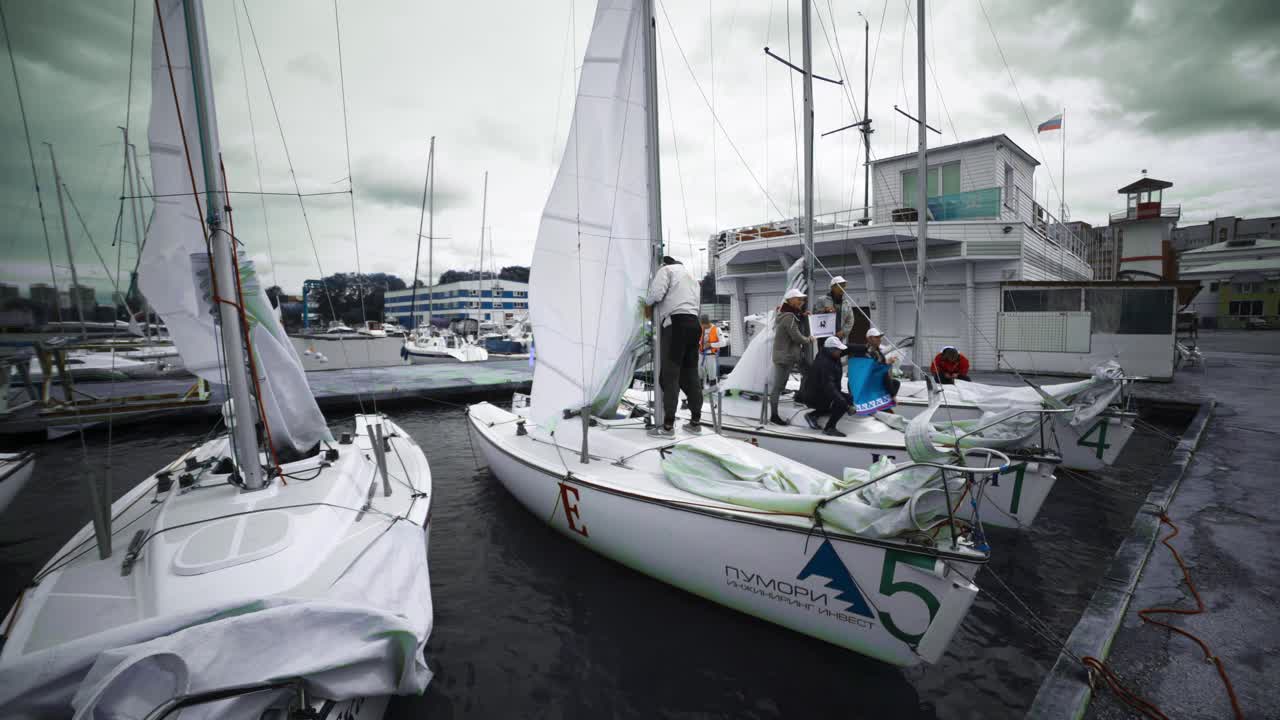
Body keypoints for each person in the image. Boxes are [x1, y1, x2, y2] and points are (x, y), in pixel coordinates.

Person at [645, 256, 702, 434]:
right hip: (694, 324)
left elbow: (656, 295)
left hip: (675, 326)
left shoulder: (666, 270)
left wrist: (645, 304)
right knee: (690, 373)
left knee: (670, 375)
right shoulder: (692, 278)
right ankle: (695, 422)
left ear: (666, 264)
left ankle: (667, 425)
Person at [796, 336, 853, 437]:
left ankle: (814, 415)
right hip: (814, 396)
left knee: (848, 398)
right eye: (839, 349)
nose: (841, 352)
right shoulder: (825, 364)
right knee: (842, 403)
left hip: (819, 392)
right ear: (831, 349)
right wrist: (845, 405)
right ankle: (829, 428)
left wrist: (865, 348)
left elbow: (849, 348)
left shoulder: (830, 356)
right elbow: (829, 387)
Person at [768, 288, 809, 426]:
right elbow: (796, 336)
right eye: (798, 299)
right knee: (778, 387)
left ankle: (799, 398)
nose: (801, 302)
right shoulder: (789, 317)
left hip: (785, 356)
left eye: (802, 299)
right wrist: (809, 339)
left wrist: (803, 316)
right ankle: (774, 416)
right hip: (785, 357)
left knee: (780, 385)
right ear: (790, 300)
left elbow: (794, 323)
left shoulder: (787, 314)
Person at [848, 327, 900, 399]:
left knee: (895, 383)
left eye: (880, 337)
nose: (879, 340)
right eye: (876, 337)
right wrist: (884, 364)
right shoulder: (861, 352)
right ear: (869, 339)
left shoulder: (879, 354)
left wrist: (885, 364)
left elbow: (883, 373)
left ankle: (883, 402)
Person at [817, 275, 856, 340]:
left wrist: (843, 332)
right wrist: (824, 310)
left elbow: (850, 320)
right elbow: (814, 316)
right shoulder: (822, 300)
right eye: (840, 285)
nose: (843, 288)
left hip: (839, 337)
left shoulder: (847, 303)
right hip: (824, 336)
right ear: (833, 287)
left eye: (844, 286)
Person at [698, 314, 725, 385]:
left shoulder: (716, 329)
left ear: (706, 323)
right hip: (701, 355)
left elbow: (723, 343)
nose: (701, 326)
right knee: (699, 374)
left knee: (712, 375)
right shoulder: (701, 329)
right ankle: (700, 391)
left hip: (711, 356)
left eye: (702, 324)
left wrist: (711, 344)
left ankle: (712, 391)